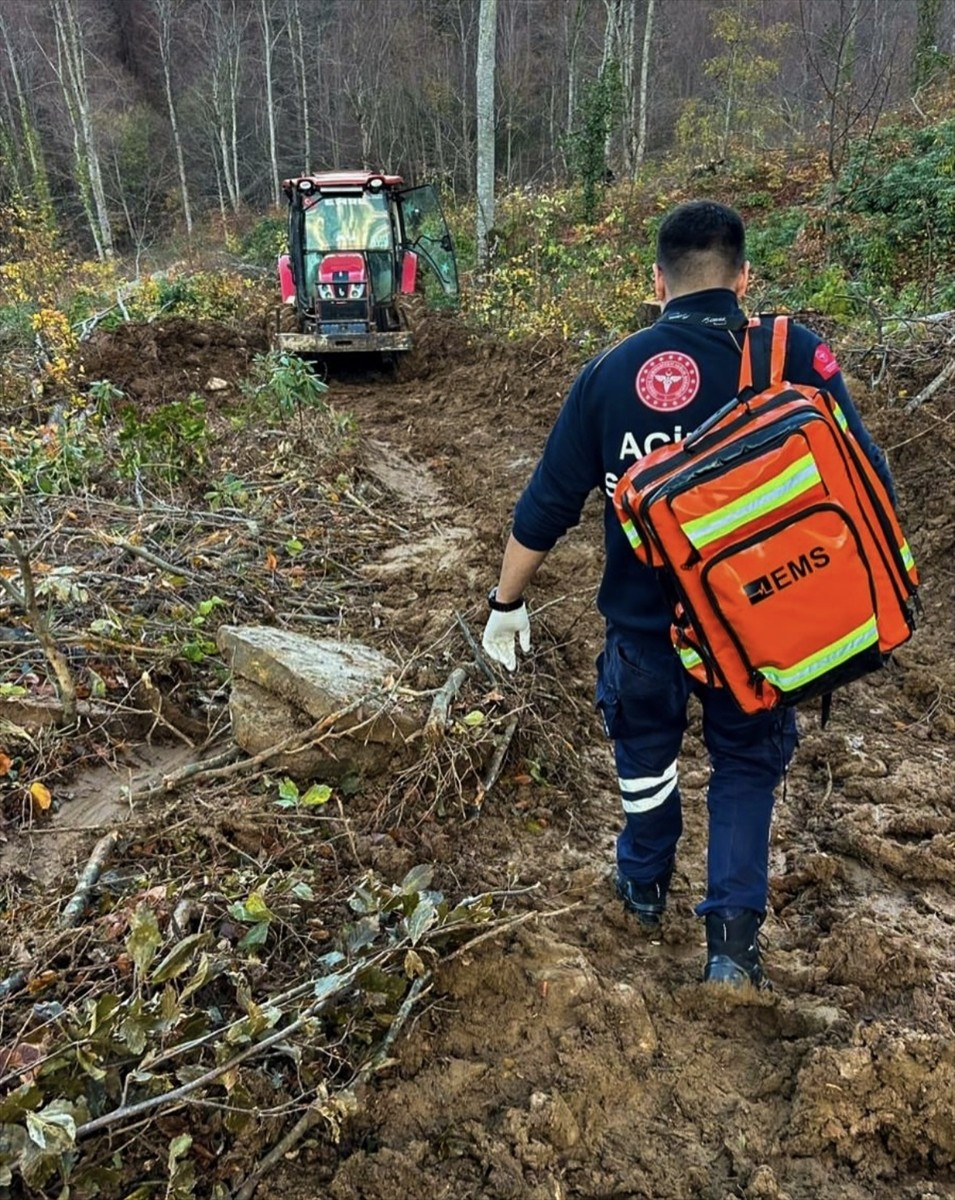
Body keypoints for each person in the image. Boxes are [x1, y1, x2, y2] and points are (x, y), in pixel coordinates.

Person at [481, 200, 896, 990]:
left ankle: (642, 884)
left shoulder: (608, 375)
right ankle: (732, 948)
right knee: (744, 766)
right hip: (761, 626)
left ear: (655, 281)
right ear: (743, 277)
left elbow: (545, 507)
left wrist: (506, 605)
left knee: (645, 756)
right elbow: (864, 477)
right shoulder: (792, 356)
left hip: (644, 631)